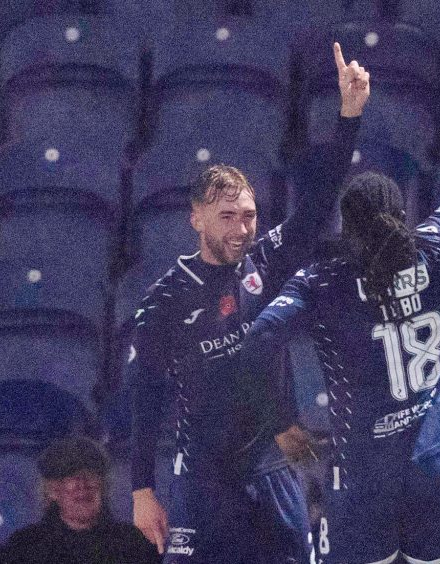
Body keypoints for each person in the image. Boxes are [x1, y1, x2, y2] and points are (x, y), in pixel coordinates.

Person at [240, 15, 440, 564]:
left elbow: (255, 342)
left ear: (346, 226)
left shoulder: (324, 282)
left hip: (362, 481)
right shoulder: (438, 245)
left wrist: (280, 417)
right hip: (430, 466)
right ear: (401, 213)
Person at [127, 43, 370, 563]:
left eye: (249, 214)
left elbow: (314, 208)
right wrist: (141, 490)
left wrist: (348, 118)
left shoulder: (265, 263)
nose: (242, 228)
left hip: (270, 460)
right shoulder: (164, 301)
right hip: (202, 472)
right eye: (228, 217)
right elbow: (145, 397)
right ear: (196, 219)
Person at [0, 436, 160, 564]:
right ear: (52, 490)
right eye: (70, 476)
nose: (82, 485)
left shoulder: (133, 544)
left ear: (103, 485)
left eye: (90, 475)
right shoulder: (24, 548)